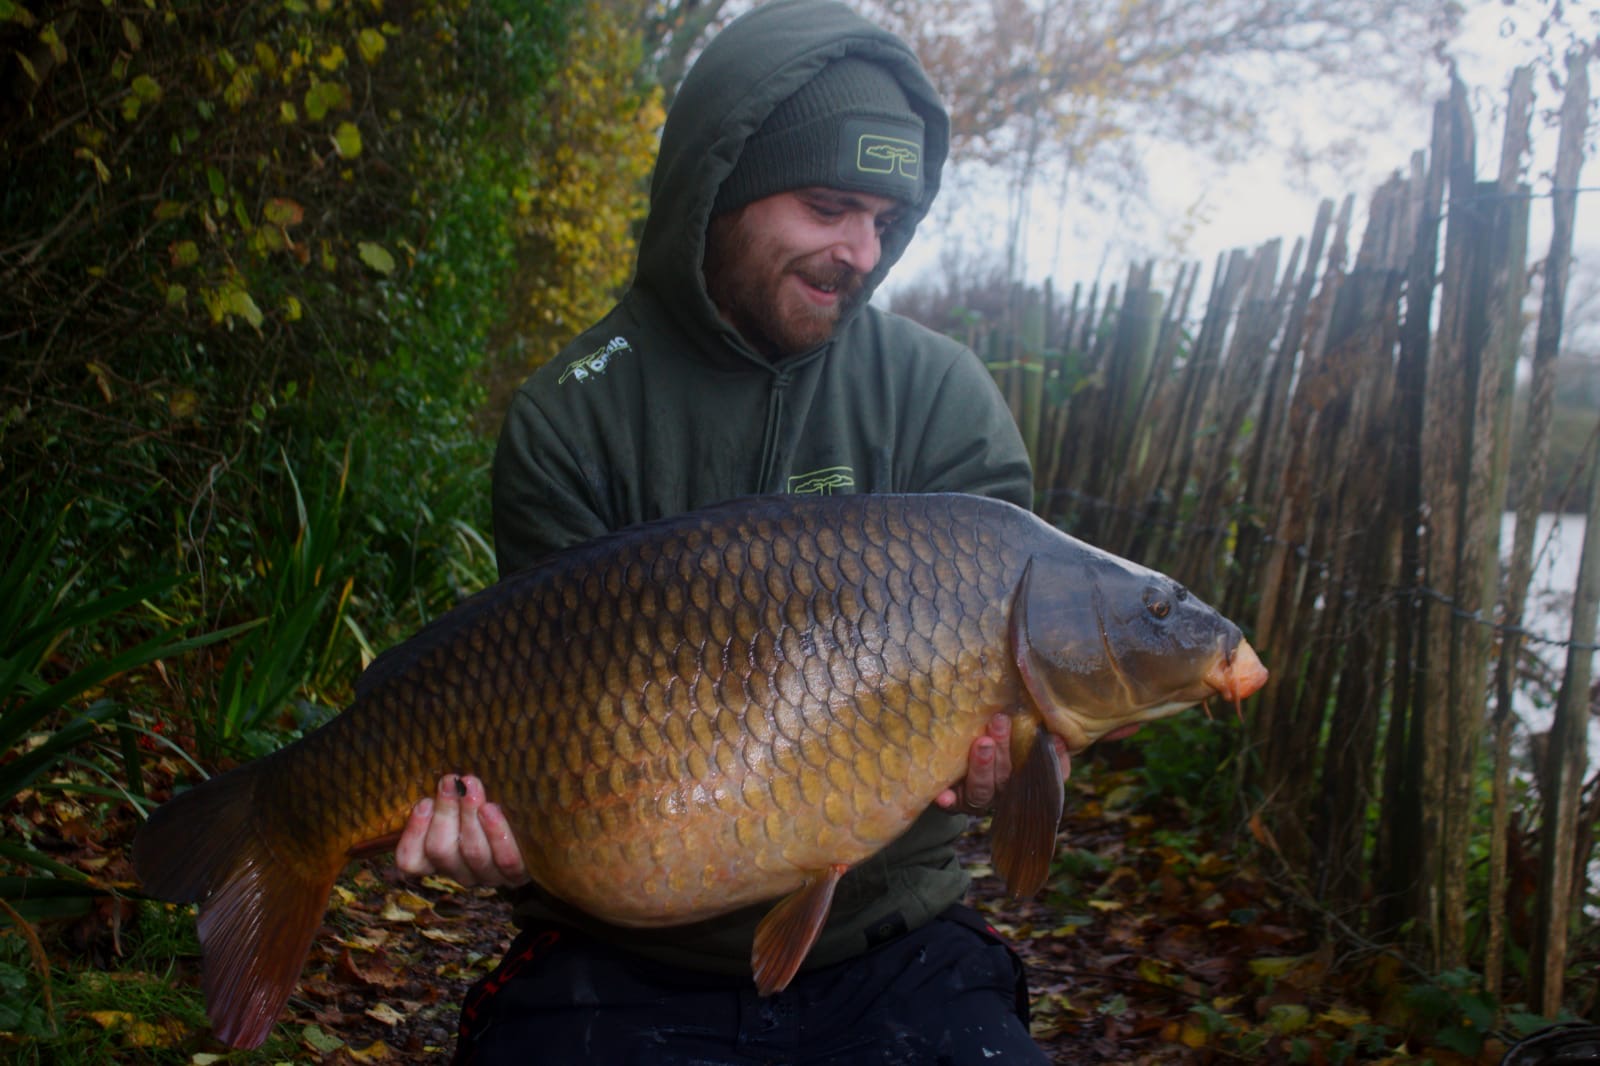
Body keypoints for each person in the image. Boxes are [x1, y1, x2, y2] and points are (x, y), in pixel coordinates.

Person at [397, 1, 1065, 1060]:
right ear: (720, 186)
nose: (858, 251)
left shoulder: (939, 397)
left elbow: (1025, 706)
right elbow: (534, 719)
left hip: (885, 937)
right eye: (827, 204)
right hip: (615, 952)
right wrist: (501, 836)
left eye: (884, 220)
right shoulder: (575, 412)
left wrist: (1017, 763)